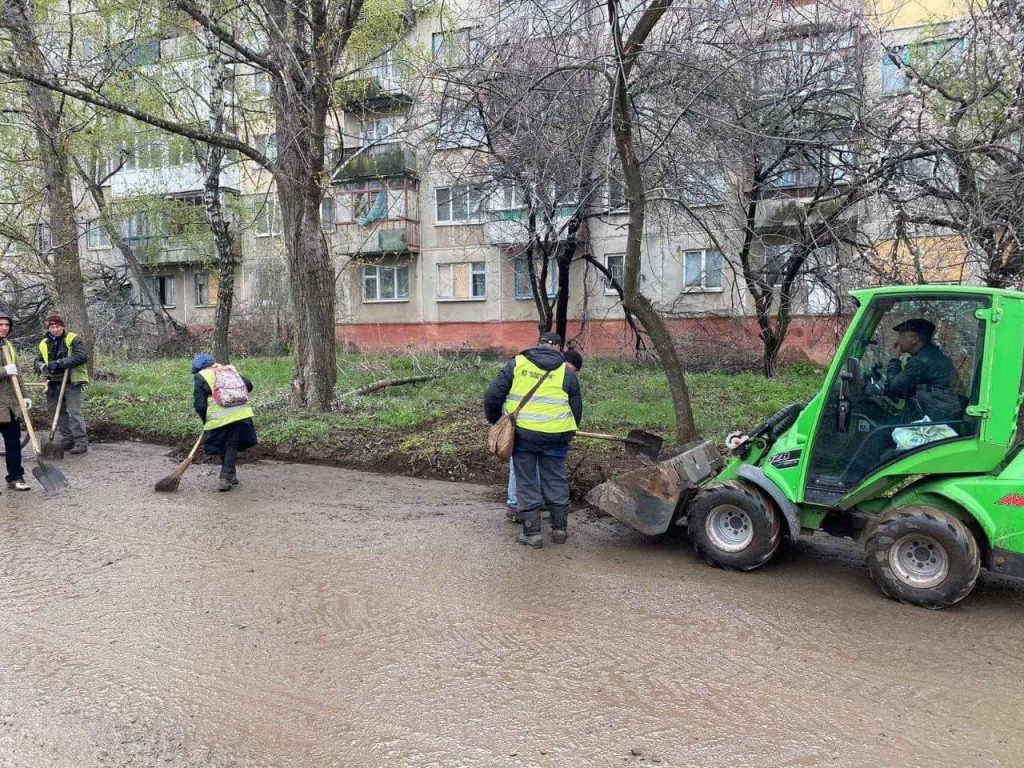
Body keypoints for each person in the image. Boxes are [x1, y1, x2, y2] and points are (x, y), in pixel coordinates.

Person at [485, 331, 583, 548]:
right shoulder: (566, 372)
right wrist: (569, 431)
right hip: (558, 435)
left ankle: (532, 533)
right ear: (558, 349)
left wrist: (495, 421)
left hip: (524, 436)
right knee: (555, 478)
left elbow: (493, 395)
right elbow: (576, 409)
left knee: (526, 480)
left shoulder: (517, 364)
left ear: (538, 344)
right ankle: (559, 530)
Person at [506, 347, 584, 522]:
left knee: (526, 474)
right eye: (574, 369)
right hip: (549, 433)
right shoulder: (562, 373)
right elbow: (576, 409)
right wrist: (569, 430)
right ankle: (555, 526)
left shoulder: (522, 366)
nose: (573, 373)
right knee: (549, 476)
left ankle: (530, 524)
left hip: (526, 432)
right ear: (568, 363)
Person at [192, 353, 258, 492]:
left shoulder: (201, 376)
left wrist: (206, 420)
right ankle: (231, 475)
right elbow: (249, 385)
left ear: (198, 368)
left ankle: (225, 477)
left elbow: (200, 405)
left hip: (219, 416)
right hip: (241, 413)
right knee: (232, 444)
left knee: (222, 444)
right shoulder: (228, 370)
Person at [884, 318, 961, 421]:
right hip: (943, 414)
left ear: (915, 338)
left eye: (901, 335)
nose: (897, 340)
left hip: (933, 421)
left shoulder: (921, 361)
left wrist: (894, 359)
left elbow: (894, 388)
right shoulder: (931, 354)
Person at [34, 315, 89, 454]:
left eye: (58, 326)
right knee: (56, 412)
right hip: (53, 382)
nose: (55, 329)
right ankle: (67, 439)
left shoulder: (73, 338)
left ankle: (81, 441)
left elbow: (82, 357)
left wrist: (59, 363)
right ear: (48, 329)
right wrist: (42, 366)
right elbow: (37, 361)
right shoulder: (44, 343)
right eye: (52, 327)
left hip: (71, 380)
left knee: (74, 411)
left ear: (63, 327)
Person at [0, 310, 31, 492]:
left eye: (6, 325)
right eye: (1, 325)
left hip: (10, 404)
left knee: (13, 443)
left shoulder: (8, 346)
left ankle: (15, 477)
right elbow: (9, 371)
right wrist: (4, 370)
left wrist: (25, 395)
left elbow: (18, 374)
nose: (4, 328)